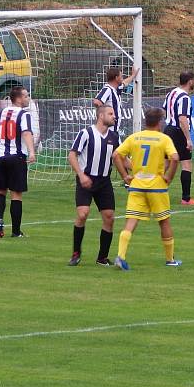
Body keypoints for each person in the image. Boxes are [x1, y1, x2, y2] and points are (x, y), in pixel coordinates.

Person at [111, 107, 182, 270]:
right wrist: (169, 177)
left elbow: (116, 155)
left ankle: (121, 256)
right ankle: (170, 259)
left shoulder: (134, 138)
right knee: (164, 221)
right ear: (160, 122)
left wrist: (125, 175)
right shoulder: (163, 139)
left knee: (131, 221)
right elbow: (175, 158)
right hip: (157, 187)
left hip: (137, 185)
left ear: (146, 121)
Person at [67, 105, 120, 266]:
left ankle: (102, 258)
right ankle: (76, 253)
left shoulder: (114, 137)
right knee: (83, 214)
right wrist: (81, 175)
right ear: (100, 115)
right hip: (86, 179)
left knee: (109, 218)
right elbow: (72, 155)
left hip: (104, 182)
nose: (114, 117)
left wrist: (138, 169)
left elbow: (120, 158)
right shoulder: (86, 133)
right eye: (111, 114)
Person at [0, 86, 36, 238]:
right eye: (26, 96)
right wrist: (32, 151)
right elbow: (26, 132)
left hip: (0, 157)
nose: (28, 98)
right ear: (18, 98)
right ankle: (16, 231)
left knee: (0, 191)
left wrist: (4, 141)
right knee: (16, 194)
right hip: (16, 157)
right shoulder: (24, 114)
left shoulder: (1, 113)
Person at [163, 71, 194, 205]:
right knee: (186, 164)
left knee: (165, 164)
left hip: (168, 130)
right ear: (190, 81)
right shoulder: (184, 98)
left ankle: (150, 190)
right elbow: (182, 118)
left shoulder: (171, 93)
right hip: (179, 132)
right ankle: (186, 198)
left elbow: (165, 109)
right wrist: (188, 138)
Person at [93, 66, 140, 136]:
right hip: (108, 131)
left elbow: (124, 83)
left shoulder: (116, 89)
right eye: (121, 76)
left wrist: (133, 75)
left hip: (114, 130)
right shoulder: (107, 89)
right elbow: (97, 102)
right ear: (116, 78)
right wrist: (105, 118)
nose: (122, 78)